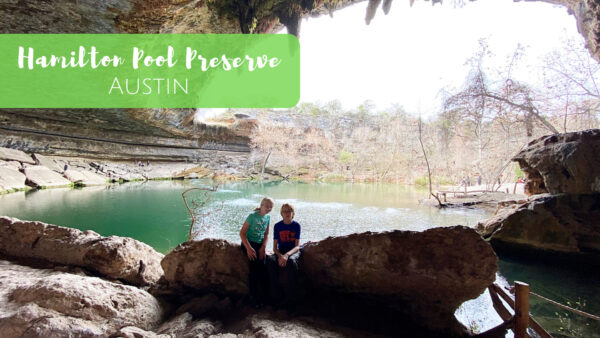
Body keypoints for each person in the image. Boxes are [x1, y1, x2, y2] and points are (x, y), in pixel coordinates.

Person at [240, 197, 274, 306]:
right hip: (249, 243)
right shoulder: (252, 217)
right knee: (254, 269)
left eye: (271, 207)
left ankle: (265, 298)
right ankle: (253, 298)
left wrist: (263, 247)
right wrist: (249, 249)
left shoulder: (268, 217)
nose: (268, 208)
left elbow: (266, 234)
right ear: (261, 205)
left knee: (263, 268)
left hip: (259, 244)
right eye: (266, 206)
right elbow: (242, 233)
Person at [268, 203, 301, 308]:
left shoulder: (296, 225)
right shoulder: (278, 226)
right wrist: (280, 255)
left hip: (292, 251)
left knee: (291, 263)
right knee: (270, 261)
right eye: (284, 211)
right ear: (281, 213)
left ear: (293, 213)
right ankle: (275, 297)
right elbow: (274, 248)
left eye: (289, 211)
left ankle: (291, 299)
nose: (287, 213)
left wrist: (286, 255)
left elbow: (297, 247)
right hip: (281, 251)